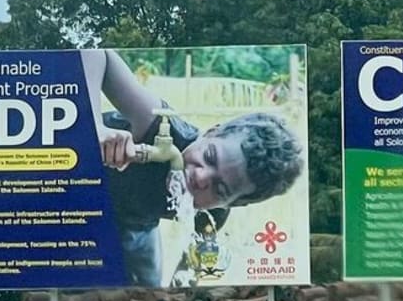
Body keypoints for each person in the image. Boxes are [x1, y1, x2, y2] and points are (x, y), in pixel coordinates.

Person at [80, 49, 305, 287]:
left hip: (134, 226)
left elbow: (191, 266)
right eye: (209, 156)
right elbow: (96, 56)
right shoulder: (159, 127)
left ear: (231, 204)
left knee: (149, 292)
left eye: (219, 189)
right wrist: (94, 126)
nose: (200, 177)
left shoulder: (211, 215)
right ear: (212, 131)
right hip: (73, 187)